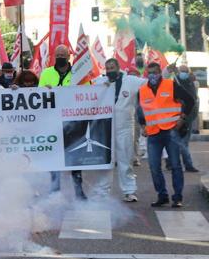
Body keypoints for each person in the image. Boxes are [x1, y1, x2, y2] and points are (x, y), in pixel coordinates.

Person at [137, 62, 195, 208]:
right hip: (153, 133)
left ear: (159, 73)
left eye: (155, 72)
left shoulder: (170, 85)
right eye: (149, 73)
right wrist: (143, 125)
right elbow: (140, 110)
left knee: (175, 165)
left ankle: (177, 197)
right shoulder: (143, 90)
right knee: (154, 167)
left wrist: (182, 118)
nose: (152, 75)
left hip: (171, 131)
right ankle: (162, 196)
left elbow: (190, 100)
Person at [93, 58, 145, 202]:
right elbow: (80, 90)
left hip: (125, 127)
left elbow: (152, 84)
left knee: (125, 159)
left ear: (118, 67)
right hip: (105, 127)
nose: (110, 70)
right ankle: (102, 191)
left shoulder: (131, 81)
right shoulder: (99, 82)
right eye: (107, 68)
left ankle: (129, 191)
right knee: (105, 160)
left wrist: (166, 74)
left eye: (112, 67)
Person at [39, 44, 86, 200]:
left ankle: (79, 191)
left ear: (69, 56)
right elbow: (39, 95)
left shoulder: (78, 74)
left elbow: (88, 92)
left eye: (63, 55)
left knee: (75, 158)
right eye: (57, 55)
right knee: (54, 159)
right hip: (53, 122)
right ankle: (55, 190)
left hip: (73, 122)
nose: (60, 57)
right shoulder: (46, 73)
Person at [172, 65, 200, 172]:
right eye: (181, 71)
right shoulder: (175, 82)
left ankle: (183, 164)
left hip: (186, 118)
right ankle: (184, 164)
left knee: (183, 142)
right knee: (177, 142)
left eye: (185, 71)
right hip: (175, 117)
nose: (183, 73)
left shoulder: (192, 83)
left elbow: (193, 101)